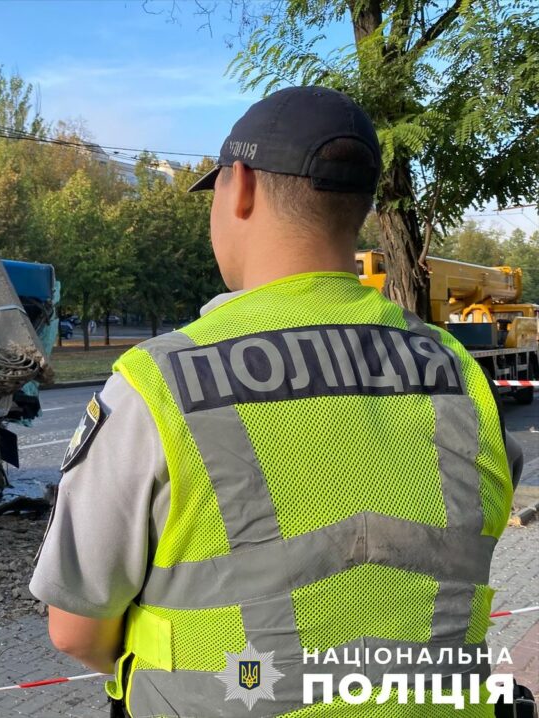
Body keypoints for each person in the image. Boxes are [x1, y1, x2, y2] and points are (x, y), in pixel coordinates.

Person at [29, 86, 522, 717]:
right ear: (360, 207)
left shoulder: (159, 384)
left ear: (240, 188)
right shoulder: (459, 373)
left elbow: (77, 630)